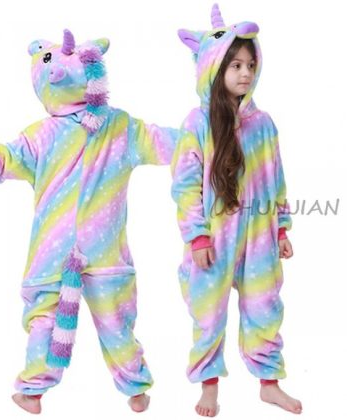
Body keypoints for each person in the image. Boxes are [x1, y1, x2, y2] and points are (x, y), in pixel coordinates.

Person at [0, 28, 179, 414]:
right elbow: (0, 159)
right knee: (90, 321)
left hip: (66, 251)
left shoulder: (114, 129)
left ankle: (42, 390)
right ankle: (128, 389)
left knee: (80, 320)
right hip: (90, 251)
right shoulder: (64, 134)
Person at [171, 4, 302, 416]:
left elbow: (276, 179)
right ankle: (209, 386)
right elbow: (185, 187)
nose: (245, 73)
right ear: (214, 68)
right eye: (235, 65)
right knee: (208, 312)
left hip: (260, 235)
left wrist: (281, 228)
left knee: (265, 307)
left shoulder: (263, 124)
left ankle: (269, 384)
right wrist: (197, 235)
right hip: (215, 237)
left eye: (250, 65)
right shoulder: (198, 124)